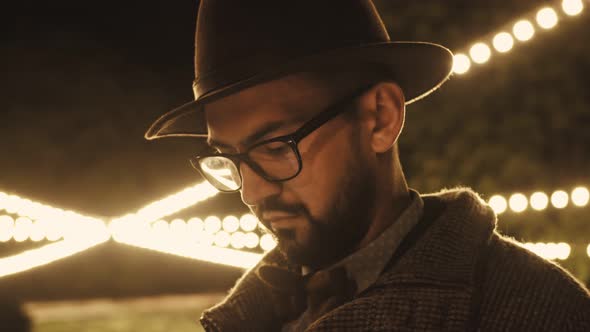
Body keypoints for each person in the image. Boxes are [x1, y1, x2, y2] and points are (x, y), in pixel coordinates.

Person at [145, 1, 590, 330]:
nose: (251, 193)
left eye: (276, 147)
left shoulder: (539, 312)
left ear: (381, 117)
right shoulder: (256, 310)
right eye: (229, 159)